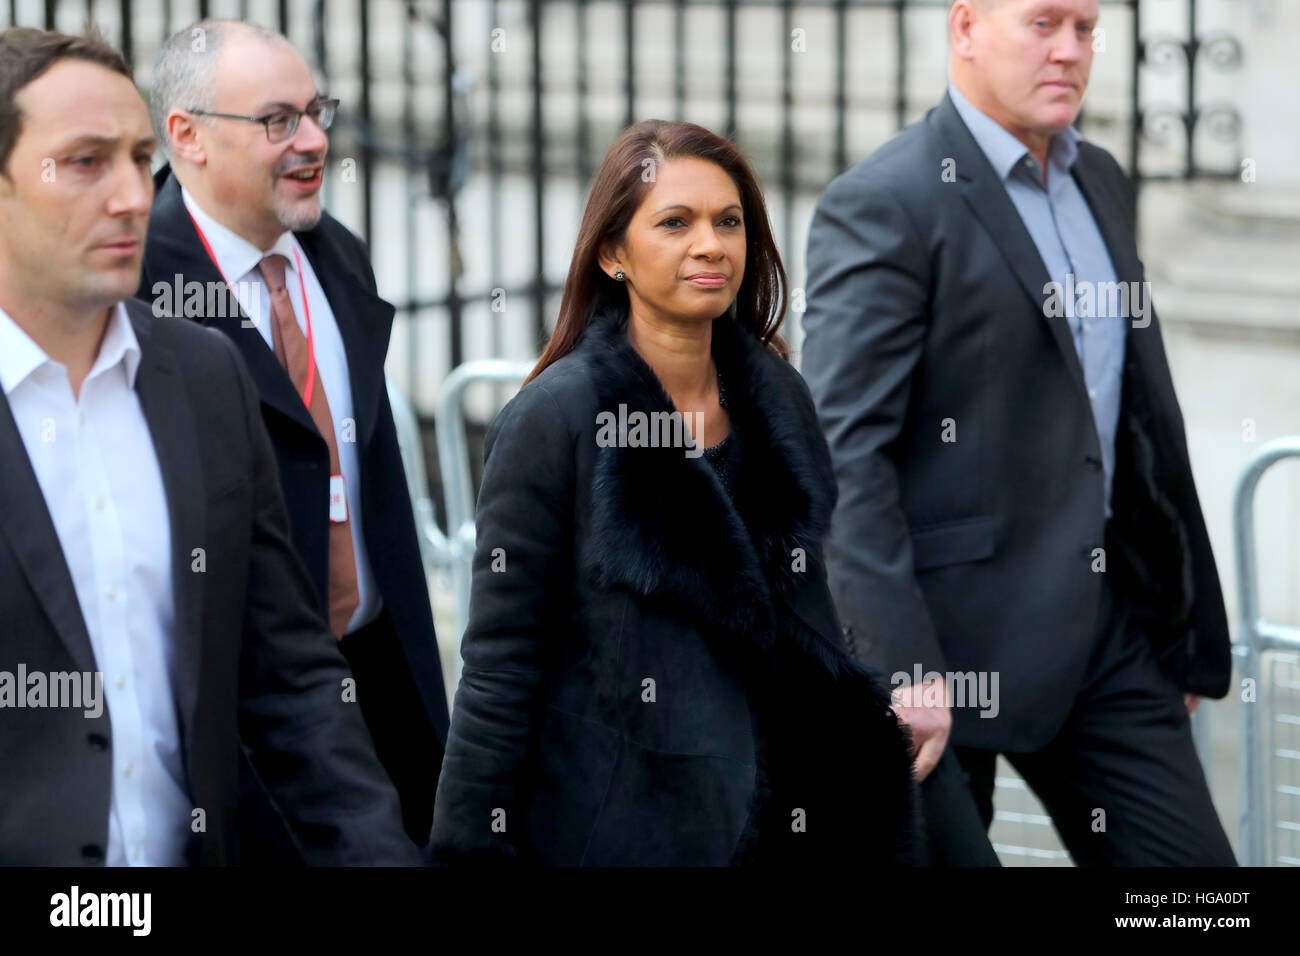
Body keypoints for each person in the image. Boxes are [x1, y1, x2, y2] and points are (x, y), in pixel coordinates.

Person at [801, 0, 1236, 865]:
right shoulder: (887, 200)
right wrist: (901, 666)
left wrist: (1180, 626)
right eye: (1043, 23)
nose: (1071, 51)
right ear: (965, 28)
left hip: (1106, 634)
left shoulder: (1101, 179)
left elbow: (1137, 415)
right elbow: (844, 454)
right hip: (940, 643)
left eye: (1085, 27)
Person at [429, 119, 916, 866]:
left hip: (790, 822)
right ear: (614, 254)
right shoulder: (555, 419)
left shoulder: (778, 397)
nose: (711, 245)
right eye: (675, 223)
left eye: (729, 222)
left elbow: (815, 616)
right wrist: (467, 846)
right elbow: (499, 668)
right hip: (625, 830)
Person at [0, 26, 417, 866]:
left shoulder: (202, 378)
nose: (129, 194)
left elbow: (290, 676)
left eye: (135, 156)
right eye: (85, 162)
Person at [138, 20, 447, 853]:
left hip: (384, 682)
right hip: (251, 725)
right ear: (187, 136)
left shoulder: (336, 255)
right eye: (278, 120)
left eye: (317, 112)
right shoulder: (136, 292)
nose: (314, 141)